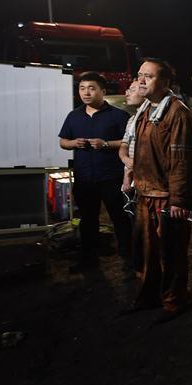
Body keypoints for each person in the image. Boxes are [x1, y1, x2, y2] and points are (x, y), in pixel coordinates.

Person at [127, 59, 192, 323]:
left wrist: (179, 199)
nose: (141, 80)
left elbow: (183, 160)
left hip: (167, 199)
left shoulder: (177, 113)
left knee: (171, 254)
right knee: (146, 253)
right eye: (139, 75)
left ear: (166, 82)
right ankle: (149, 297)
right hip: (146, 194)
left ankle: (174, 302)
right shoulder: (146, 111)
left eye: (149, 76)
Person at [58, 72, 132, 273]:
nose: (86, 92)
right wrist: (73, 143)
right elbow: (63, 141)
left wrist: (106, 144)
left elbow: (131, 143)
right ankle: (89, 260)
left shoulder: (118, 115)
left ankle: (130, 261)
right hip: (84, 179)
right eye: (82, 88)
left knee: (121, 219)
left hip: (111, 178)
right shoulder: (74, 116)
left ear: (103, 91)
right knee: (88, 220)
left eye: (91, 88)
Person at [119, 80, 148, 193]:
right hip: (130, 178)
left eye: (132, 90)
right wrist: (126, 160)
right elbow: (124, 145)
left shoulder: (152, 120)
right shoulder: (132, 119)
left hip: (146, 179)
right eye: (128, 90)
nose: (127, 94)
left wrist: (132, 168)